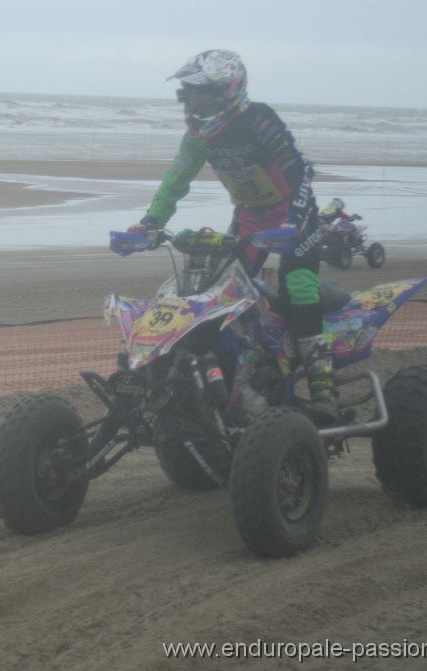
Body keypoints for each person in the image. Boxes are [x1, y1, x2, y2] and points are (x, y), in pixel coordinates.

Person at [127, 49, 337, 424]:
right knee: (220, 294)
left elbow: (300, 171)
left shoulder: (259, 120)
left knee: (299, 289)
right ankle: (237, 376)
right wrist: (149, 221)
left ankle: (324, 392)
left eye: (203, 93)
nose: (195, 102)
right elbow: (176, 179)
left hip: (295, 217)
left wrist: (292, 220)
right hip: (249, 221)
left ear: (230, 90)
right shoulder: (197, 137)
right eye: (189, 94)